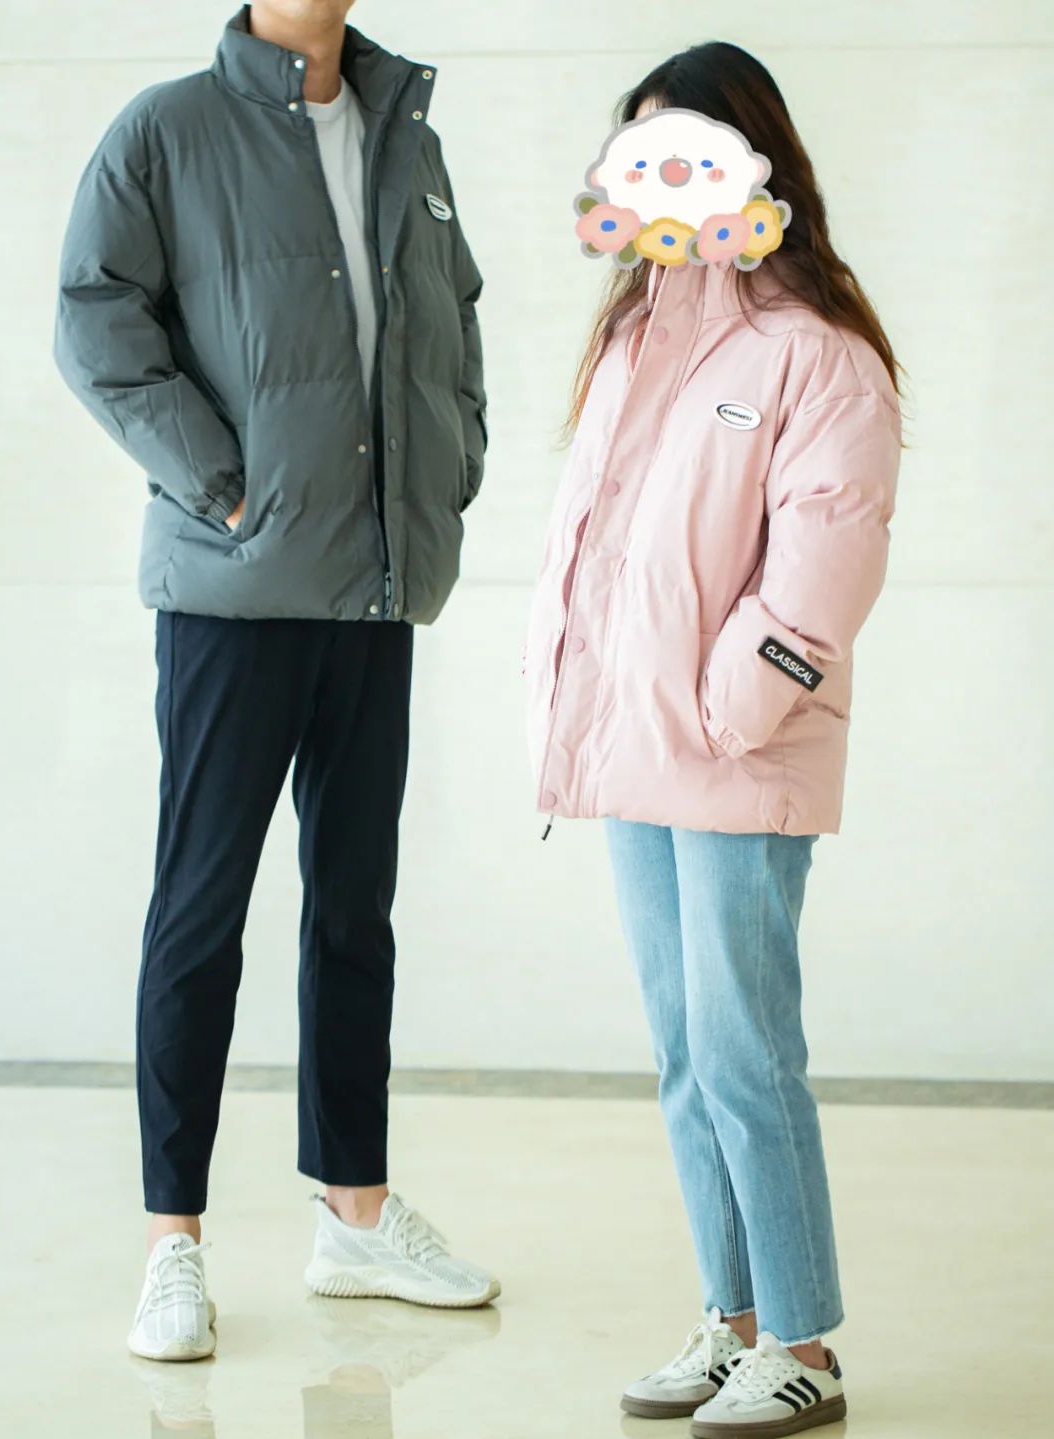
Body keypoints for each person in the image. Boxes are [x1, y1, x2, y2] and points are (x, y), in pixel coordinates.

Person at [54, 0, 497, 1362]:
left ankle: (353, 1214)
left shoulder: (406, 133)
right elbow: (95, 319)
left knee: (356, 910)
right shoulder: (167, 131)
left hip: (376, 588)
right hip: (233, 593)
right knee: (200, 911)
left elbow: (453, 319)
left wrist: (449, 475)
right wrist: (221, 483)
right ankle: (171, 1243)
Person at [525, 42, 902, 1439]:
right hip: (636, 751)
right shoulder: (633, 340)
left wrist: (727, 713)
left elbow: (822, 568)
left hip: (737, 754)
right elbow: (597, 551)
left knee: (748, 1056)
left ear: (750, 163)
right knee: (686, 1056)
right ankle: (731, 1320)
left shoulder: (818, 353)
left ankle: (803, 1343)